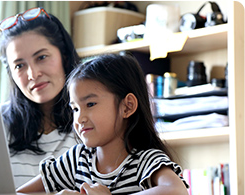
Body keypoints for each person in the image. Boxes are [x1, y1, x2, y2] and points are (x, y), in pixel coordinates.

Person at [17, 53, 189, 194]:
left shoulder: (146, 162)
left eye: (90, 104)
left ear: (127, 106)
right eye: (75, 109)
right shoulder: (77, 160)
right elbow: (19, 193)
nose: (80, 118)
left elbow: (176, 191)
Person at [0, 7, 81, 188]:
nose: (33, 74)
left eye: (41, 57)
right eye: (19, 66)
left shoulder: (91, 118)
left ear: (64, 57)